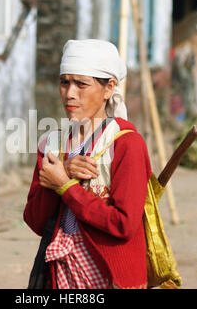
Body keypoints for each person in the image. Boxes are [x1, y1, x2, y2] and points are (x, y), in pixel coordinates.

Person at [24, 39, 152, 289]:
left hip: (111, 278)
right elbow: (35, 221)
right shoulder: (51, 144)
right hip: (60, 277)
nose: (70, 93)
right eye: (64, 82)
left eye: (81, 84)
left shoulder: (127, 144)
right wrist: (64, 173)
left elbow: (123, 224)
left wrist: (65, 185)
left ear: (109, 88)